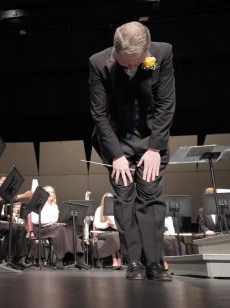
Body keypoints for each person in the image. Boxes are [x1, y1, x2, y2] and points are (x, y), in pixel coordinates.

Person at [89, 21, 175, 280]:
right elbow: (99, 114)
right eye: (126, 64)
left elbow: (166, 103)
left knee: (150, 195)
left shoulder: (161, 54)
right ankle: (134, 262)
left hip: (150, 138)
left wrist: (154, 148)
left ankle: (154, 263)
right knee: (125, 199)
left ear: (147, 49)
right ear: (116, 53)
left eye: (138, 62)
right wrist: (116, 155)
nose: (132, 68)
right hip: (116, 139)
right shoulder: (98, 63)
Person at [29, 185, 87, 269]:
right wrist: (52, 222)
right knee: (59, 229)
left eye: (52, 192)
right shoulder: (38, 204)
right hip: (41, 229)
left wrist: (59, 222)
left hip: (54, 228)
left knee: (70, 228)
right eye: (48, 192)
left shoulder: (54, 206)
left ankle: (78, 256)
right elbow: (35, 220)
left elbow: (56, 219)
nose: (51, 193)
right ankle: (60, 259)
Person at [93, 192, 122, 269]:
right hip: (102, 232)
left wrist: (112, 224)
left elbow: (119, 226)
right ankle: (115, 258)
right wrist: (107, 224)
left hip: (113, 231)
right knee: (113, 235)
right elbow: (97, 224)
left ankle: (117, 257)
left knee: (114, 235)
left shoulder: (115, 209)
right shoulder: (99, 209)